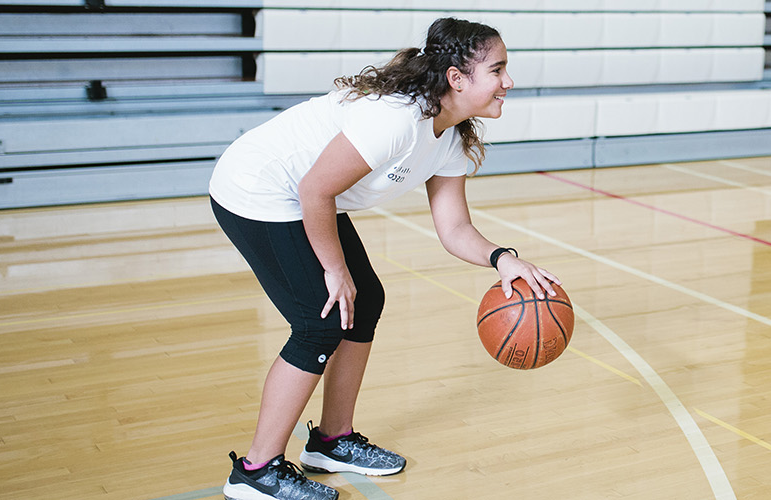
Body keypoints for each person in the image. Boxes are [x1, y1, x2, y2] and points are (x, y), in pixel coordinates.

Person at [208, 18, 559, 500]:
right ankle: (255, 471)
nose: (509, 81)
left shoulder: (450, 136)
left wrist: (501, 259)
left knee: (364, 301)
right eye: (498, 70)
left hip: (307, 195)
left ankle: (332, 441)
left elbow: (454, 229)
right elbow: (314, 189)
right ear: (457, 78)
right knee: (319, 320)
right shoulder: (396, 120)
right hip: (259, 189)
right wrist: (334, 271)